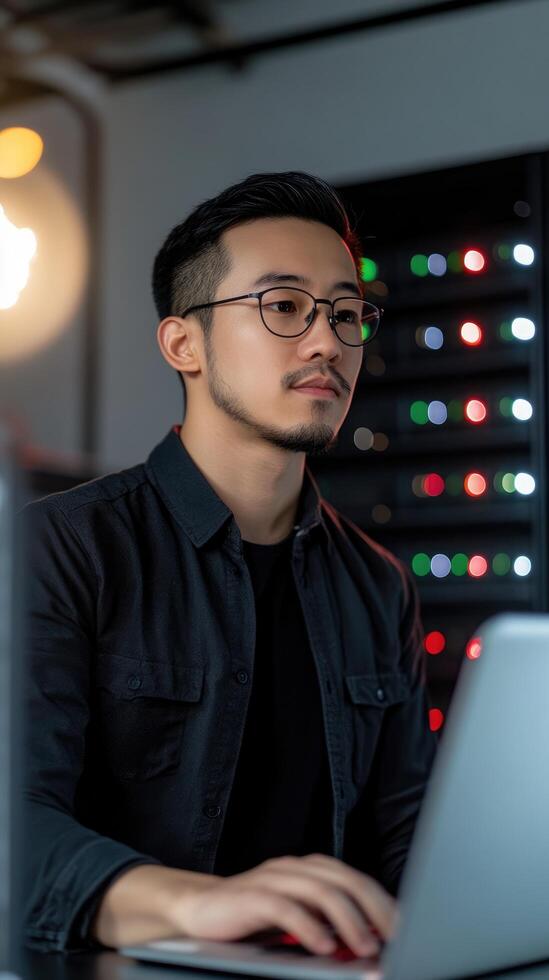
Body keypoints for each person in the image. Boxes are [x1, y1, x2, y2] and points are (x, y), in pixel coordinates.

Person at [21, 171, 437, 959]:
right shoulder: (61, 548)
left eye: (346, 314)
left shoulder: (377, 584)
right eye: (282, 306)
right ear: (184, 344)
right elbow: (13, 828)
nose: (327, 342)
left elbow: (408, 839)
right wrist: (199, 904)